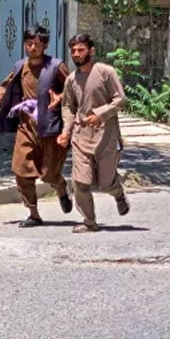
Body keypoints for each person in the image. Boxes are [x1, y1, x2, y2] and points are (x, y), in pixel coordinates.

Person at [0, 25, 72, 227]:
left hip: (51, 129)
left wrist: (60, 97)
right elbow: (4, 89)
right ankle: (34, 214)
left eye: (37, 44)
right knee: (21, 171)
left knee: (49, 174)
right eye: (29, 43)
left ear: (45, 45)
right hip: (26, 127)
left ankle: (61, 188)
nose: (32, 47)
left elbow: (74, 89)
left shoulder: (56, 67)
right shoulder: (20, 67)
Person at [57, 33, 130, 232]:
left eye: (80, 50)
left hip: (106, 136)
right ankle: (89, 222)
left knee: (105, 183)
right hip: (81, 137)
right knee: (81, 182)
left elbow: (120, 99)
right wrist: (66, 131)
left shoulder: (106, 72)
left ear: (91, 51)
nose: (76, 54)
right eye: (73, 50)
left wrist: (100, 114)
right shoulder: (71, 80)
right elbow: (68, 107)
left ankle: (118, 193)